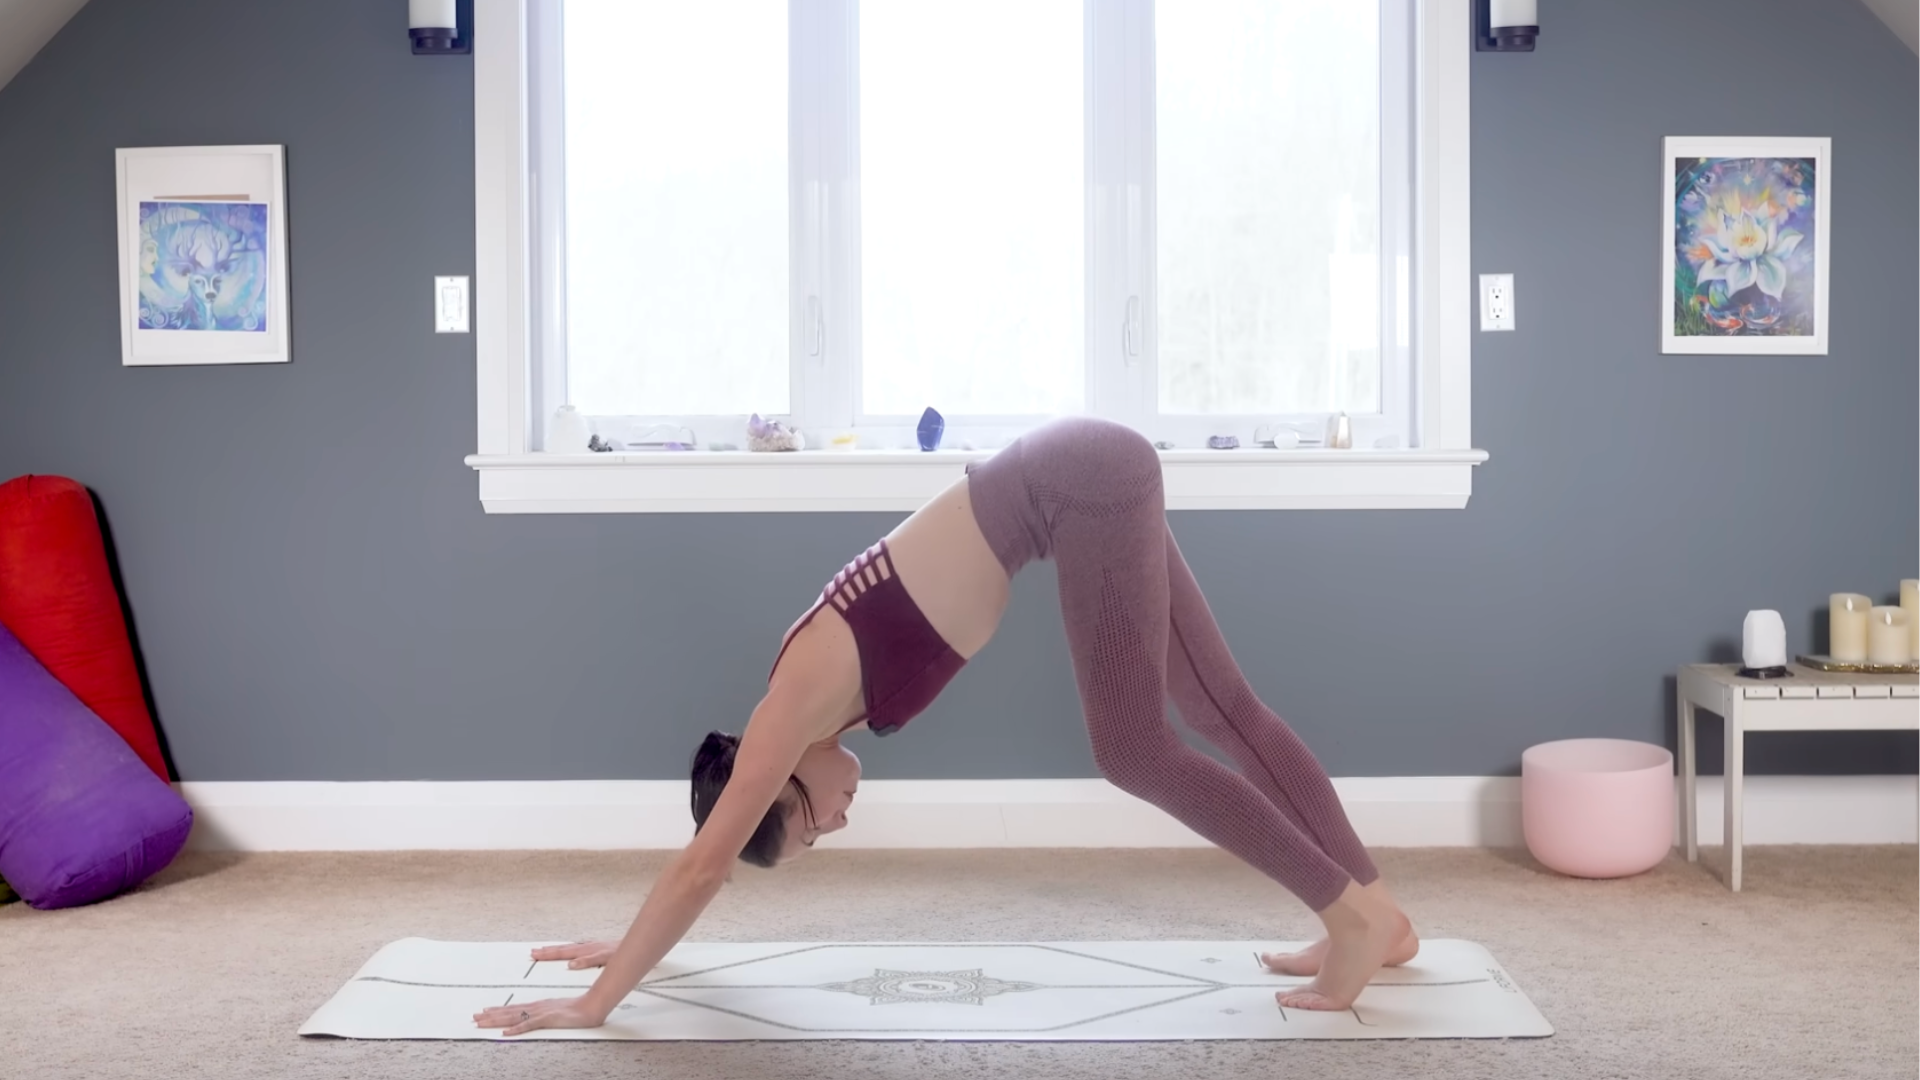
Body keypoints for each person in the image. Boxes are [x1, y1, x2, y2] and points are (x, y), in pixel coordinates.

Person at [474, 417, 1418, 1037]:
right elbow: (707, 864)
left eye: (814, 826)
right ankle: (1381, 917)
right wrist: (633, 942)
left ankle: (1351, 922)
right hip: (1085, 475)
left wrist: (599, 1001)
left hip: (1081, 481)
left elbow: (701, 865)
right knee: (1218, 706)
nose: (840, 822)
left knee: (1134, 749)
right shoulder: (814, 706)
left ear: (778, 783)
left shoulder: (790, 702)